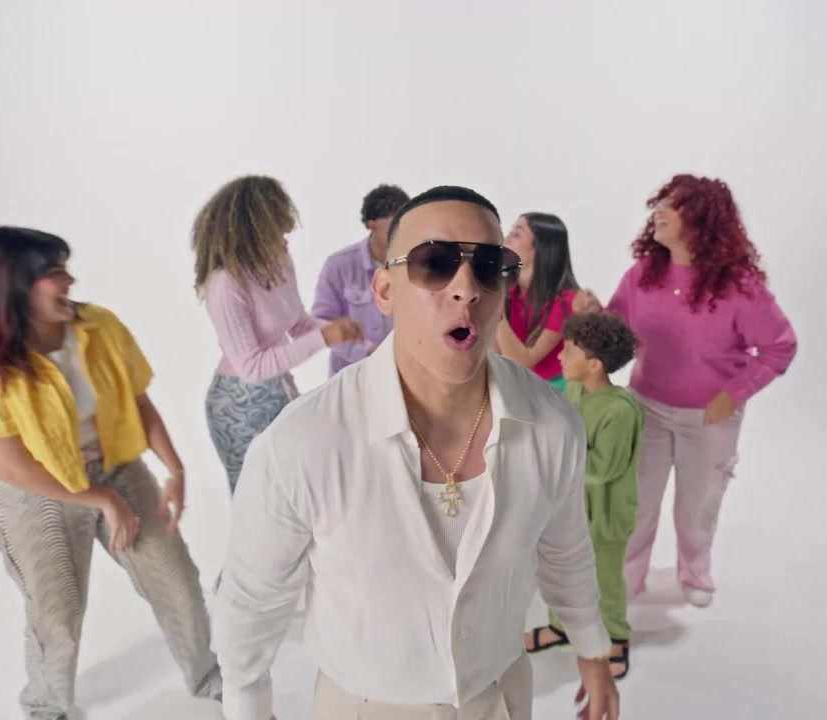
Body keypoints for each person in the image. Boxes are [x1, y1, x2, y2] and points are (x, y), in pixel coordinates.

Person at [212, 186, 621, 720]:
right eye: (434, 263)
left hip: (501, 696)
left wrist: (592, 648)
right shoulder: (303, 441)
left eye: (488, 266)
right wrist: (246, 707)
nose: (466, 289)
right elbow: (251, 601)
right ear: (385, 290)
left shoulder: (552, 424)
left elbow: (566, 549)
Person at [0, 227, 222, 720]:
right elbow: (11, 466)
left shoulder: (99, 326)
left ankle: (208, 677)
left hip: (116, 468)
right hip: (37, 489)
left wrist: (174, 468)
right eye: (55, 273)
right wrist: (101, 500)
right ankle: (47, 706)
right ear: (14, 287)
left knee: (177, 581)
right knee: (58, 610)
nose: (70, 280)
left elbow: (138, 401)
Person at [572, 174, 798, 607]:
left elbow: (780, 346)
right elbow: (617, 330)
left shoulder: (741, 288)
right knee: (635, 501)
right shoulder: (643, 275)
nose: (659, 211)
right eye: (660, 203)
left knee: (698, 506)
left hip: (709, 418)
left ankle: (695, 572)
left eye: (673, 206)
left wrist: (733, 394)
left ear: (702, 220)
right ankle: (625, 578)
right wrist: (595, 312)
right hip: (647, 409)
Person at [193, 175, 363, 494]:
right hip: (238, 409)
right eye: (280, 228)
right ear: (255, 228)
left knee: (305, 484)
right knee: (258, 500)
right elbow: (252, 367)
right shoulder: (225, 285)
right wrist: (325, 337)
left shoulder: (279, 261)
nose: (288, 234)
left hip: (280, 392)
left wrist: (353, 341)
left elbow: (296, 322)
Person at [525, 313, 642, 682]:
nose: (560, 356)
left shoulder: (620, 411)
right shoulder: (573, 390)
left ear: (594, 365)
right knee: (560, 570)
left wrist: (554, 456)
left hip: (604, 516)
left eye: (569, 351)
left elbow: (603, 469)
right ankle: (561, 627)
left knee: (603, 580)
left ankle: (617, 638)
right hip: (568, 508)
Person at [311, 183, 409, 375]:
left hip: (406, 375)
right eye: (394, 224)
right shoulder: (339, 265)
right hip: (351, 376)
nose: (402, 232)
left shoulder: (418, 262)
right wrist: (368, 352)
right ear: (371, 225)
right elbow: (323, 324)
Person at [492, 212, 580, 392]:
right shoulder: (509, 292)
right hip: (518, 386)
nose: (507, 238)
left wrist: (495, 307)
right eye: (510, 231)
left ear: (540, 248)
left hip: (555, 393)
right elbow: (495, 354)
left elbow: (524, 361)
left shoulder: (566, 302)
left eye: (517, 234)